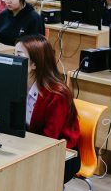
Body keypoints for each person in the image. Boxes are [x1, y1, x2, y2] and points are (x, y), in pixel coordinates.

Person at [15, 34, 80, 181]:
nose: (13, 60)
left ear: (34, 64)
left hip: (62, 155)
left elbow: (49, 138)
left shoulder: (57, 94)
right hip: (30, 146)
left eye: (18, 56)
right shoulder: (17, 85)